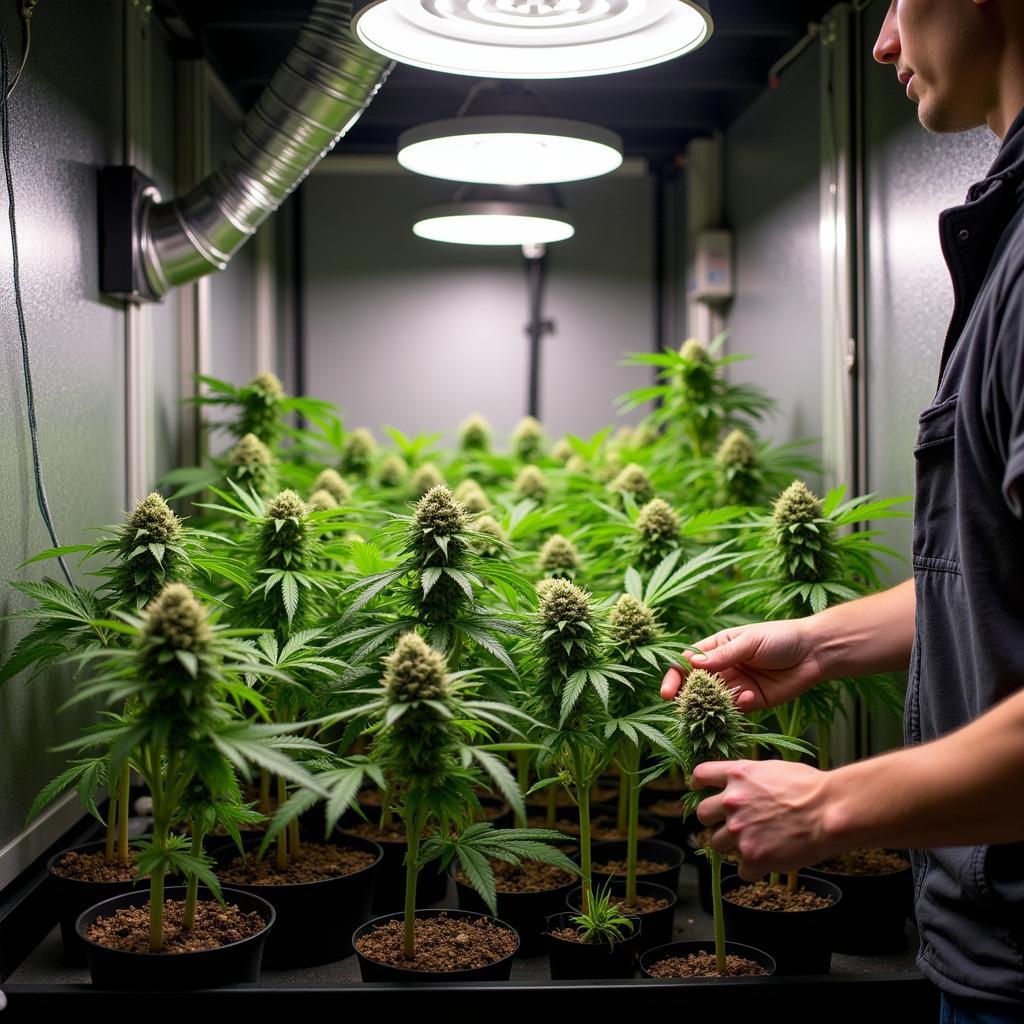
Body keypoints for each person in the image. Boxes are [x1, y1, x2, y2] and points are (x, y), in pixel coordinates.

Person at [660, 0, 1024, 1017]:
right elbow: (994, 582)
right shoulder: (1003, 235)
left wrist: (831, 803)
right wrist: (817, 644)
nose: (878, 41)